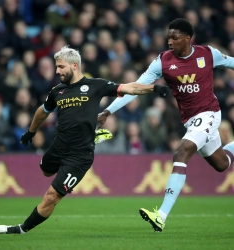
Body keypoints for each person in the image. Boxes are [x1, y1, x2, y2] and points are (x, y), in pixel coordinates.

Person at [0, 45, 169, 234]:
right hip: (58, 147)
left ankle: (22, 229)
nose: (57, 71)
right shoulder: (57, 91)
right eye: (56, 67)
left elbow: (129, 87)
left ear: (74, 65)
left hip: (79, 156)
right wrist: (31, 131)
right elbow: (42, 111)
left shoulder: (96, 86)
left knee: (52, 196)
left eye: (61, 67)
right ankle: (89, 136)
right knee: (45, 171)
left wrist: (154, 88)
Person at [97, 18, 234, 232]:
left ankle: (161, 215)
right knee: (222, 164)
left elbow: (232, 62)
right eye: (168, 37)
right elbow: (136, 88)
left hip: (209, 114)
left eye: (175, 37)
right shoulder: (162, 61)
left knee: (181, 153)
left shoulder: (208, 54)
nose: (170, 41)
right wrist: (107, 111)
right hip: (190, 121)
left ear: (188, 39)